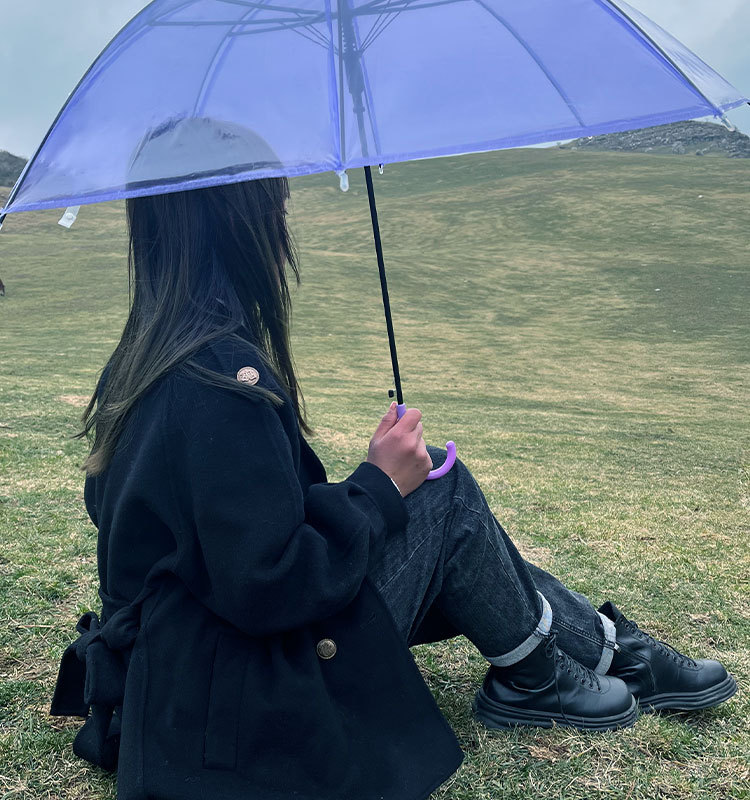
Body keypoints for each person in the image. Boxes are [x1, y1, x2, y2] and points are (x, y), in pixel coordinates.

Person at [51, 118, 737, 800]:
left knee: (442, 508)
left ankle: (595, 652)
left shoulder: (147, 361)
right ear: (240, 221)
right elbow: (271, 587)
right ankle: (547, 670)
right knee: (441, 490)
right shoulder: (217, 383)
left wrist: (373, 491)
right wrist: (379, 486)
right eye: (276, 206)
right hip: (226, 687)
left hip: (178, 666)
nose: (283, 231)